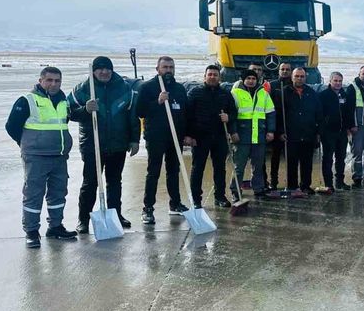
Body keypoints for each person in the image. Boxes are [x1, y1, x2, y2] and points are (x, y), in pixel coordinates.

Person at [6, 67, 77, 248]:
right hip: (36, 156)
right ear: (41, 80)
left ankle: (55, 227)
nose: (53, 84)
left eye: (57, 81)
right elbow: (12, 126)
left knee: (58, 193)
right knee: (33, 194)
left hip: (59, 156)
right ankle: (31, 231)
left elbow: (64, 123)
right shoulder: (28, 100)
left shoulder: (63, 102)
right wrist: (28, 144)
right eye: (49, 80)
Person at [68, 56, 140, 233]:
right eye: (100, 68)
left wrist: (134, 140)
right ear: (93, 71)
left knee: (115, 182)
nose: (104, 72)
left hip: (118, 144)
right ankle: (83, 219)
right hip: (93, 145)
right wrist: (85, 109)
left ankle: (115, 215)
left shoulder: (124, 88)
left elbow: (133, 117)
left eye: (107, 68)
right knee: (90, 182)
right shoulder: (83, 89)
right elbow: (69, 112)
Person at [136, 56, 189, 225]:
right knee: (154, 172)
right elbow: (140, 111)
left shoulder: (179, 88)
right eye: (165, 67)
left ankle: (175, 204)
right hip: (156, 136)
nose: (168, 70)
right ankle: (148, 209)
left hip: (175, 137)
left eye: (171, 67)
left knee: (174, 171)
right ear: (157, 68)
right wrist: (157, 101)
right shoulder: (148, 87)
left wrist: (187, 134)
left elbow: (185, 113)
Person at [186, 64, 238, 207]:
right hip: (200, 137)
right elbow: (187, 116)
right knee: (198, 168)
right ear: (205, 76)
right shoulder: (195, 92)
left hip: (220, 136)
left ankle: (220, 197)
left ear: (219, 77)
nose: (212, 77)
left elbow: (233, 113)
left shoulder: (225, 94)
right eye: (210, 74)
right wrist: (188, 135)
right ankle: (196, 200)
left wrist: (229, 118)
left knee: (220, 168)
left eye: (215, 75)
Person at [230, 69, 276, 198]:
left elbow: (271, 114)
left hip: (259, 136)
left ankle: (258, 189)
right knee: (239, 167)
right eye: (248, 78)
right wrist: (233, 132)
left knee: (258, 166)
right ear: (243, 80)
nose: (251, 81)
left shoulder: (264, 94)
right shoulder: (235, 93)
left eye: (253, 79)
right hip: (242, 136)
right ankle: (235, 191)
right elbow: (232, 115)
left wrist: (271, 131)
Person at [280, 67, 323, 195]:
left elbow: (319, 113)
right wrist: (281, 131)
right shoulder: (284, 92)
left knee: (307, 162)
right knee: (291, 162)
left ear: (305, 77)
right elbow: (278, 114)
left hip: (308, 133)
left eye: (302, 76)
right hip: (291, 134)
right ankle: (292, 186)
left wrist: (319, 132)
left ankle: (305, 185)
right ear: (292, 77)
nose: (299, 79)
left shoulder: (312, 93)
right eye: (297, 76)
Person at [318, 72, 354, 192]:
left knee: (341, 158)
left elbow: (348, 112)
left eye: (340, 81)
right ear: (330, 81)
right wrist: (320, 130)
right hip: (328, 132)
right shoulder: (323, 95)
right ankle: (328, 184)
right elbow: (319, 115)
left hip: (342, 132)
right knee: (328, 158)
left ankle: (339, 182)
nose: (338, 83)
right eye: (335, 81)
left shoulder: (344, 94)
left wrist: (349, 127)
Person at [268, 62, 293, 190]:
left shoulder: (294, 85)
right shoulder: (272, 85)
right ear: (278, 71)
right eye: (282, 69)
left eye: (287, 69)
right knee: (275, 156)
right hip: (277, 125)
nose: (284, 71)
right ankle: (273, 181)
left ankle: (291, 182)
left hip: (291, 126)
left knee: (291, 156)